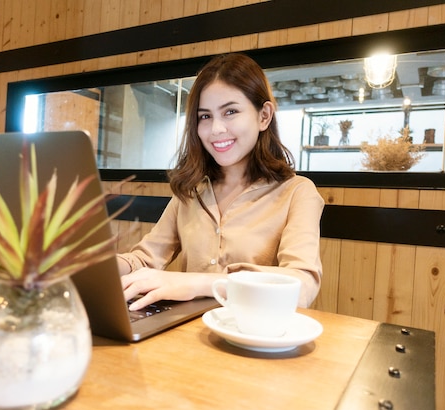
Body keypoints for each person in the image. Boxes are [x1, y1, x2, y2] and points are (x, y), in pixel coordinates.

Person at [118, 53, 324, 311]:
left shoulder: (297, 192)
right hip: (187, 336)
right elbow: (144, 259)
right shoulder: (192, 191)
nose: (215, 129)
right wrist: (100, 264)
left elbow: (301, 286)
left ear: (264, 116)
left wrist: (197, 283)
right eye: (205, 116)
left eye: (230, 112)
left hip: (254, 338)